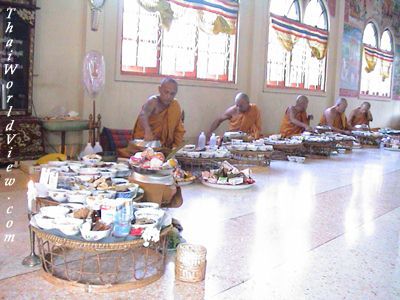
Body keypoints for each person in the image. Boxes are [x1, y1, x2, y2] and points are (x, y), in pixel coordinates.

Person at [132, 77, 185, 149]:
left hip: (164, 147)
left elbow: (178, 129)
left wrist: (176, 146)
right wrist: (147, 131)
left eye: (172, 94)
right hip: (146, 143)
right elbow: (143, 115)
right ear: (159, 89)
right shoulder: (153, 101)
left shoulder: (175, 105)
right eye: (166, 92)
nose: (168, 96)